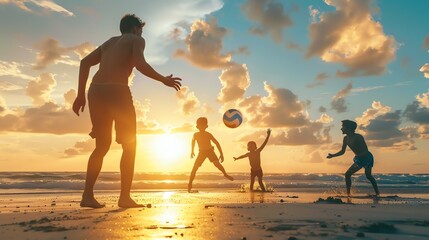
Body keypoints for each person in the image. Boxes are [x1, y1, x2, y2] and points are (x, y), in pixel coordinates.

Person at [72, 14, 182, 208]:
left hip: (95, 91)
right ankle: (124, 197)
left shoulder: (109, 42)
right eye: (141, 29)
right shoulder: (137, 39)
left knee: (102, 146)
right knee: (129, 146)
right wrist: (163, 79)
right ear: (135, 29)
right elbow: (140, 64)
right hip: (117, 91)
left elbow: (84, 63)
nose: (141, 32)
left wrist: (80, 95)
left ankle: (87, 196)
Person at [327, 120, 380, 197]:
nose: (341, 129)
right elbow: (342, 151)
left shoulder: (358, 137)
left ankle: (377, 194)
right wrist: (332, 155)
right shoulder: (345, 139)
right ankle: (348, 194)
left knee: (368, 175)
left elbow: (365, 150)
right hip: (359, 159)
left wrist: (361, 160)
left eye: (343, 127)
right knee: (347, 174)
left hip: (367, 158)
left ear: (348, 128)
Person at [188, 117, 234, 192]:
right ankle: (190, 183)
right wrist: (192, 151)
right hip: (201, 152)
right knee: (194, 168)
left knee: (216, 164)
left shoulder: (208, 134)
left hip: (210, 151)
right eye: (200, 125)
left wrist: (221, 154)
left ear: (206, 126)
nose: (202, 127)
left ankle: (225, 174)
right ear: (197, 126)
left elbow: (217, 143)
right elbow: (193, 141)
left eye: (203, 125)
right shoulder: (195, 135)